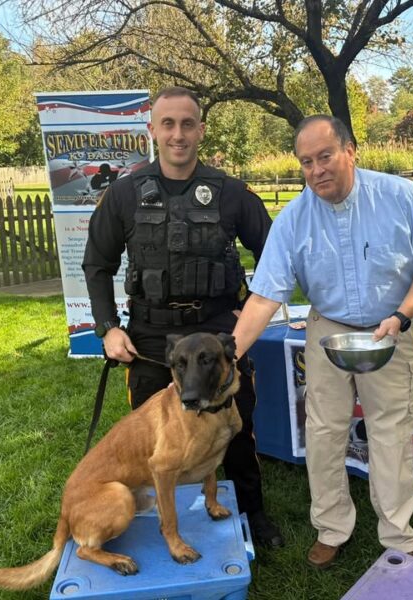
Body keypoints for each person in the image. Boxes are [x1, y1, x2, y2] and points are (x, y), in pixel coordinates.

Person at [231, 115, 413, 569]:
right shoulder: (293, 219)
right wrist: (228, 354)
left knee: (391, 433)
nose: (316, 170)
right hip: (327, 331)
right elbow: (263, 297)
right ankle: (332, 528)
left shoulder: (401, 196)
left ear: (350, 151)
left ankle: (399, 536)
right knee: (323, 432)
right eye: (306, 162)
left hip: (392, 327)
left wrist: (402, 315)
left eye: (325, 156)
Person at [82, 86, 284, 548]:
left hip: (218, 335)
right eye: (168, 124)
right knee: (161, 442)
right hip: (152, 339)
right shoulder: (124, 194)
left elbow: (274, 254)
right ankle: (166, 523)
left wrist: (250, 306)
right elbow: (97, 264)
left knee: (236, 430)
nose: (178, 134)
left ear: (201, 130)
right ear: (152, 130)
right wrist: (108, 328)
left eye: (187, 124)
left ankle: (253, 513)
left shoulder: (232, 193)